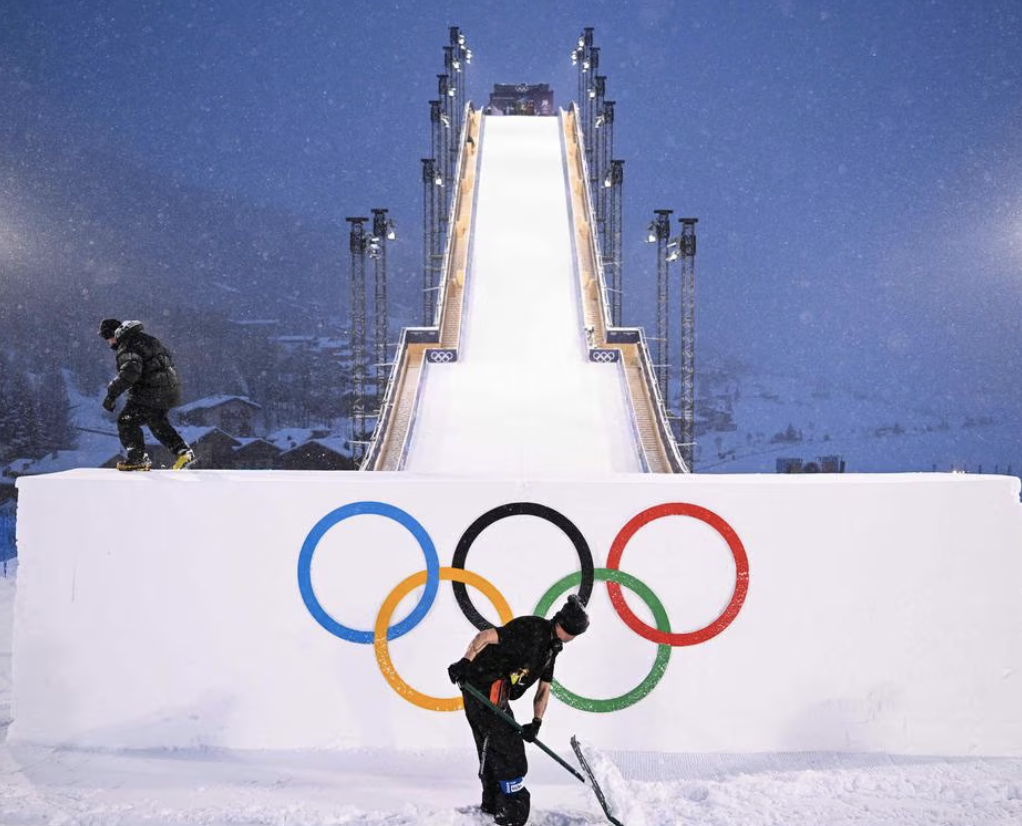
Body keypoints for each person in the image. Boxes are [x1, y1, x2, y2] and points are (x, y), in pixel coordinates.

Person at [447, 594, 590, 826]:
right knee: (509, 750)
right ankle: (512, 810)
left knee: (494, 745)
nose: (572, 639)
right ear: (564, 626)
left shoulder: (552, 648)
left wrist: (536, 722)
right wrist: (465, 662)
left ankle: (493, 803)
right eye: (573, 634)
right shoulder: (530, 628)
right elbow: (486, 636)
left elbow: (544, 688)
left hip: (497, 692)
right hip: (481, 685)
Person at [99, 318, 195, 471]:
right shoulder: (148, 339)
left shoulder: (128, 345)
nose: (109, 343)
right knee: (157, 422)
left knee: (126, 421)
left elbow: (129, 373)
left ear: (115, 334)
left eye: (108, 337)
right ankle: (183, 452)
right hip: (169, 390)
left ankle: (137, 459)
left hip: (150, 391)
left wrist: (111, 395)